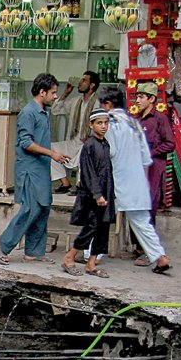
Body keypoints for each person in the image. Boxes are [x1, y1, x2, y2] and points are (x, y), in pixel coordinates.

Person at [0, 73, 68, 265]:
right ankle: (3, 243)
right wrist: (52, 154)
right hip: (29, 169)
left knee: (43, 208)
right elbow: (26, 143)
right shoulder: (28, 113)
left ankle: (34, 251)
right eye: (52, 92)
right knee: (31, 208)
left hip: (41, 169)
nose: (55, 96)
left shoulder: (43, 112)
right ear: (41, 92)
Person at [99, 86, 171, 274]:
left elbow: (109, 152)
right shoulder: (134, 123)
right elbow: (146, 158)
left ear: (108, 104)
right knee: (141, 221)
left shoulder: (109, 123)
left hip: (117, 178)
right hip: (136, 179)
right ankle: (159, 256)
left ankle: (91, 255)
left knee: (98, 217)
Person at [61, 109, 115, 278]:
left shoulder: (105, 144)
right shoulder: (89, 145)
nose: (103, 126)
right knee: (91, 227)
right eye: (99, 123)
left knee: (102, 229)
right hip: (93, 194)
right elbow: (88, 173)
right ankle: (70, 257)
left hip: (105, 192)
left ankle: (91, 263)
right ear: (91, 125)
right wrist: (97, 194)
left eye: (106, 123)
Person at [132, 81, 175, 266]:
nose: (138, 100)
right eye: (137, 97)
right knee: (136, 205)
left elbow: (170, 143)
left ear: (151, 99)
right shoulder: (138, 119)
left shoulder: (160, 118)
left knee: (149, 206)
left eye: (142, 97)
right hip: (138, 168)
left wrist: (150, 152)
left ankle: (148, 251)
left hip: (154, 168)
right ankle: (138, 247)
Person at [51, 71, 100, 194]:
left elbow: (102, 124)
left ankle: (80, 186)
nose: (80, 83)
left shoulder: (98, 103)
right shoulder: (75, 101)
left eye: (84, 80)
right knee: (50, 149)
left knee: (87, 148)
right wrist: (66, 93)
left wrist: (92, 137)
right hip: (72, 142)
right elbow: (55, 110)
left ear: (92, 85)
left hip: (87, 142)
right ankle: (65, 183)